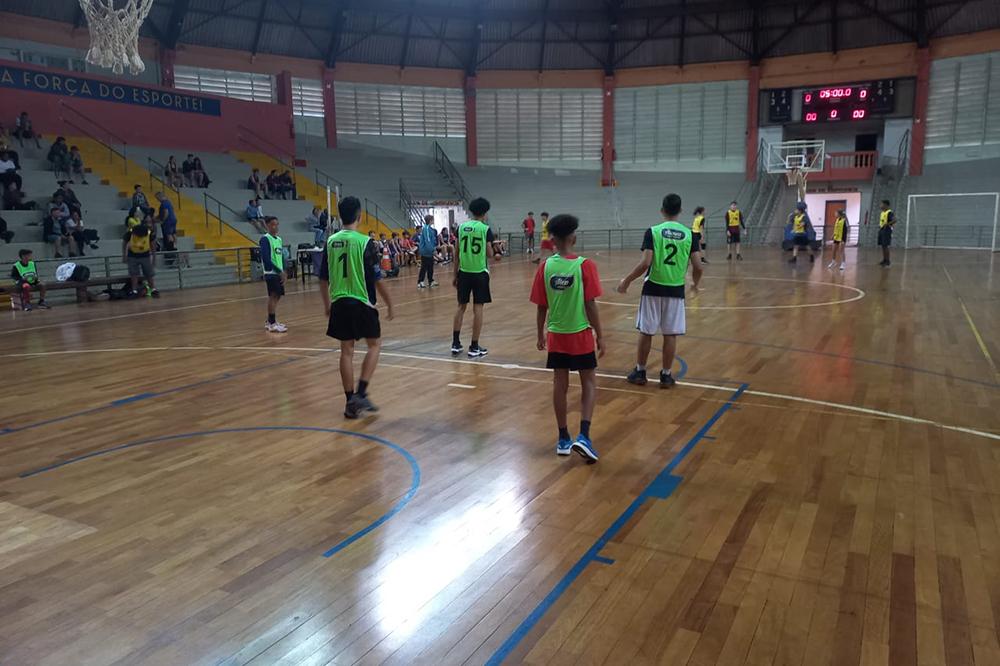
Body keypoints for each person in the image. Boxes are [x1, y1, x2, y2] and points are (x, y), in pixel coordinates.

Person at [530, 213, 604, 462]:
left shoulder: (545, 266)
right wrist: (600, 335)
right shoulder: (585, 265)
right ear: (573, 236)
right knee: (589, 382)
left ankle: (563, 437)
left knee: (559, 385)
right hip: (580, 334)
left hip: (557, 335)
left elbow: (541, 306)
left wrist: (540, 333)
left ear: (552, 240)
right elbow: (590, 304)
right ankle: (584, 435)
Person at [319, 196, 395, 419]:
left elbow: (323, 279)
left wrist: (327, 305)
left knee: (346, 352)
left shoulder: (331, 241)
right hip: (362, 301)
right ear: (360, 215)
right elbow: (377, 278)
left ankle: (349, 401)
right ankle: (361, 393)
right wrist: (390, 303)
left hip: (339, 301)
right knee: (374, 345)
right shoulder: (364, 242)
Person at [617, 193, 703, 388]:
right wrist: (695, 284)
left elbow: (645, 263)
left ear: (662, 210)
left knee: (646, 331)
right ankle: (665, 375)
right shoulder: (690, 234)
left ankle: (640, 371)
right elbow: (698, 266)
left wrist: (627, 281)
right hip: (675, 290)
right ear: (680, 210)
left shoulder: (653, 231)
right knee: (670, 334)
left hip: (653, 287)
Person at [451, 197, 502, 357]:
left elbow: (456, 252)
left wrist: (455, 274)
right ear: (485, 212)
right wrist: (496, 252)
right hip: (479, 273)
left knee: (461, 306)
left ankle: (455, 343)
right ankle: (474, 346)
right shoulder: (485, 229)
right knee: (477, 309)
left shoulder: (461, 227)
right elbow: (489, 254)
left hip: (464, 272)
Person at [259, 216, 288, 332]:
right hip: (271, 272)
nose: (275, 227)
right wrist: (278, 270)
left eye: (277, 224)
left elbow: (281, 257)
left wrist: (284, 270)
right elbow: (266, 258)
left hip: (278, 272)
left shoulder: (279, 240)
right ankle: (271, 322)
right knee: (273, 295)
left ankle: (270, 320)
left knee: (278, 295)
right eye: (272, 224)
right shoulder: (265, 239)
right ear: (267, 225)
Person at [122, 221, 159, 298]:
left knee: (149, 273)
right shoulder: (131, 232)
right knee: (134, 274)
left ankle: (153, 290)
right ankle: (134, 290)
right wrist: (124, 255)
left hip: (145, 255)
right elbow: (124, 242)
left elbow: (153, 246)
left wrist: (154, 258)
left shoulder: (149, 233)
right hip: (132, 255)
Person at [156, 191, 179, 267]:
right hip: (173, 219)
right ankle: (175, 246)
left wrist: (162, 220)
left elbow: (166, 212)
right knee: (173, 233)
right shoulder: (169, 202)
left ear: (160, 196)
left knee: (168, 234)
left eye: (157, 198)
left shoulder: (164, 203)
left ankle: (171, 247)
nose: (157, 200)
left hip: (168, 221)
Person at [417, 215, 439, 288]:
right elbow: (428, 241)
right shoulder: (426, 229)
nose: (434, 221)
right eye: (433, 219)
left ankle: (431, 281)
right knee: (424, 266)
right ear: (430, 220)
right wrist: (433, 250)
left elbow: (432, 241)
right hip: (425, 251)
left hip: (429, 251)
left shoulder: (430, 229)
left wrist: (434, 248)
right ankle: (420, 281)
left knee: (430, 267)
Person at [878, 199, 895, 267]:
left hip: (887, 230)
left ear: (886, 205)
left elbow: (894, 220)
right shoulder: (882, 213)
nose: (880, 206)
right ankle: (884, 259)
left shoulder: (889, 212)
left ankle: (887, 261)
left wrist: (887, 224)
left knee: (886, 246)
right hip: (882, 230)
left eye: (882, 204)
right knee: (883, 245)